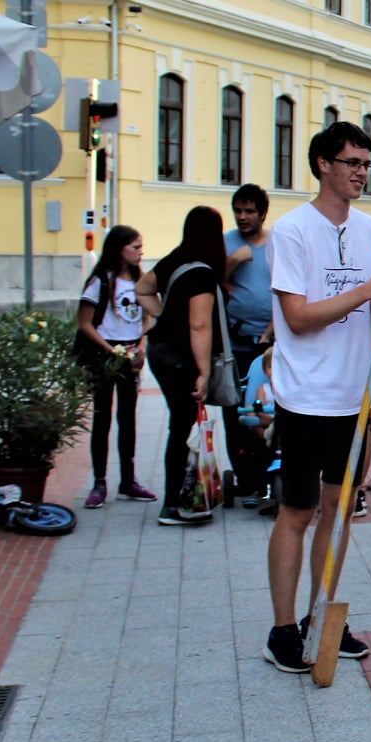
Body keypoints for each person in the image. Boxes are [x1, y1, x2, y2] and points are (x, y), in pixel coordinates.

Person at [261, 121, 371, 673]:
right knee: (298, 511)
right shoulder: (292, 230)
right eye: (352, 162)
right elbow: (298, 318)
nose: (361, 172)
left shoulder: (368, 227)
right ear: (323, 164)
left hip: (353, 397)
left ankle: (322, 615)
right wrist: (369, 286)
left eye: (367, 164)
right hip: (306, 397)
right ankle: (282, 630)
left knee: (340, 511)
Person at [136, 207, 228, 527]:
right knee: (180, 428)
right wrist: (204, 372)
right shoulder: (202, 274)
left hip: (159, 351)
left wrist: (163, 315)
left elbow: (142, 288)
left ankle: (176, 497)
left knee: (180, 424)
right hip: (181, 358)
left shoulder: (174, 260)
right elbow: (199, 325)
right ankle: (172, 505)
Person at [75, 226, 155, 509]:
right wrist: (111, 350)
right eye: (135, 247)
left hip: (131, 354)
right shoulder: (101, 281)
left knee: (128, 419)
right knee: (102, 418)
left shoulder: (141, 280)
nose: (141, 252)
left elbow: (147, 317)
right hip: (105, 354)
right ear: (120, 249)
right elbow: (84, 322)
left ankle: (128, 481)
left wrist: (141, 345)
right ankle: (99, 483)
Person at [223, 183, 274, 503]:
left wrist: (272, 330)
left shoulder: (276, 244)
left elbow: (287, 289)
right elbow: (213, 284)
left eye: (249, 211)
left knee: (267, 409)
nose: (242, 217)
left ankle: (269, 473)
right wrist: (232, 262)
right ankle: (245, 477)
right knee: (235, 411)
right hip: (236, 341)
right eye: (238, 210)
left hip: (269, 343)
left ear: (262, 214)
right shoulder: (227, 242)